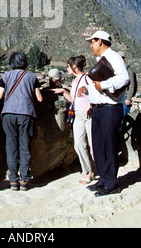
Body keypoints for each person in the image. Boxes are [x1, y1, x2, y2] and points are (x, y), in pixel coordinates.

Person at [79, 30, 129, 197]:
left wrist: (105, 85)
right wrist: (88, 89)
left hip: (109, 108)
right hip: (99, 108)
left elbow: (124, 78)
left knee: (108, 145)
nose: (91, 46)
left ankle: (112, 182)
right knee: (99, 145)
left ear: (100, 41)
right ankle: (103, 179)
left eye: (92, 42)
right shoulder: (102, 60)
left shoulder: (113, 57)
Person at [0, 51, 43, 191]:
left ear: (11, 62)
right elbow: (40, 98)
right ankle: (24, 179)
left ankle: (13, 180)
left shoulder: (5, 76)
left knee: (11, 145)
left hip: (8, 114)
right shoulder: (32, 76)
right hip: (26, 114)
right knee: (25, 145)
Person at [53, 55, 95, 184]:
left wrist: (89, 105)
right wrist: (63, 91)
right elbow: (73, 100)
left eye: (68, 66)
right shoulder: (75, 81)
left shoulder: (87, 78)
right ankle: (88, 170)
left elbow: (96, 93)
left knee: (93, 144)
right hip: (78, 115)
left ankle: (95, 170)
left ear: (74, 66)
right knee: (78, 144)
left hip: (89, 115)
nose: (67, 69)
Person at [119, 51, 137, 116]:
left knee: (124, 117)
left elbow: (132, 85)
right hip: (118, 97)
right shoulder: (119, 69)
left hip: (125, 97)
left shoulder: (128, 70)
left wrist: (128, 98)